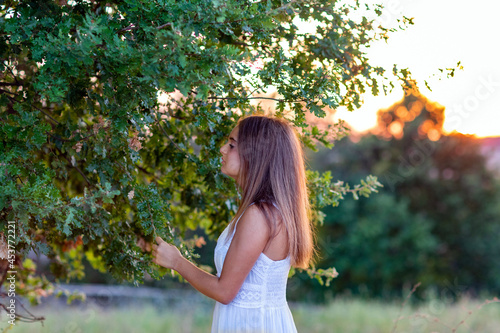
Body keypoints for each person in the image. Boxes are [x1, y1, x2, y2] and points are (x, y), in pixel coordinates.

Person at [152, 114, 315, 332]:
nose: (222, 149)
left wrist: (177, 262)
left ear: (256, 154)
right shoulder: (268, 211)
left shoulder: (259, 215)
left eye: (231, 145)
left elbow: (225, 291)